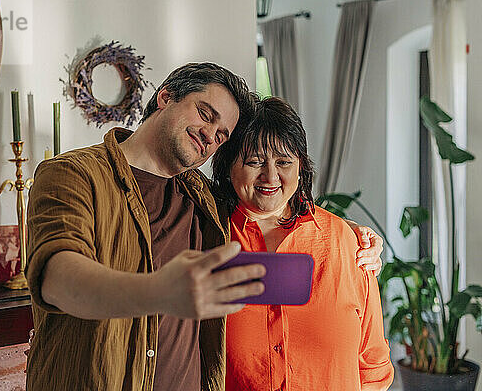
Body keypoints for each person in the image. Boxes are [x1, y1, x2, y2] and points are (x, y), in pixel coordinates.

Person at [25, 63, 383, 391]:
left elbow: (271, 204)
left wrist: (347, 231)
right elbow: (56, 277)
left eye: (222, 133)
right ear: (165, 96)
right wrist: (158, 291)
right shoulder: (74, 174)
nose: (210, 134)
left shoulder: (201, 199)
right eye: (205, 114)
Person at [212, 97, 393, 391]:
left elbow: (372, 369)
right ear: (228, 166)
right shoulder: (206, 238)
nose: (270, 176)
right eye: (254, 161)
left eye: (284, 162)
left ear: (300, 168)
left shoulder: (347, 243)